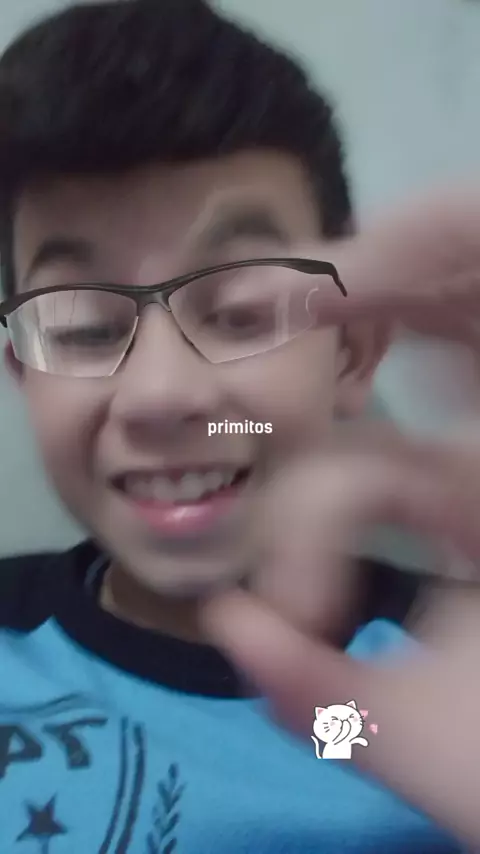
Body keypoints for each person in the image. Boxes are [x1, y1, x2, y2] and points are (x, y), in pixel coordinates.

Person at [0, 0, 478, 851]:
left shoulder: (444, 681)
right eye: (83, 326)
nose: (160, 396)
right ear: (23, 373)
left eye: (242, 310)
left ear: (353, 351)